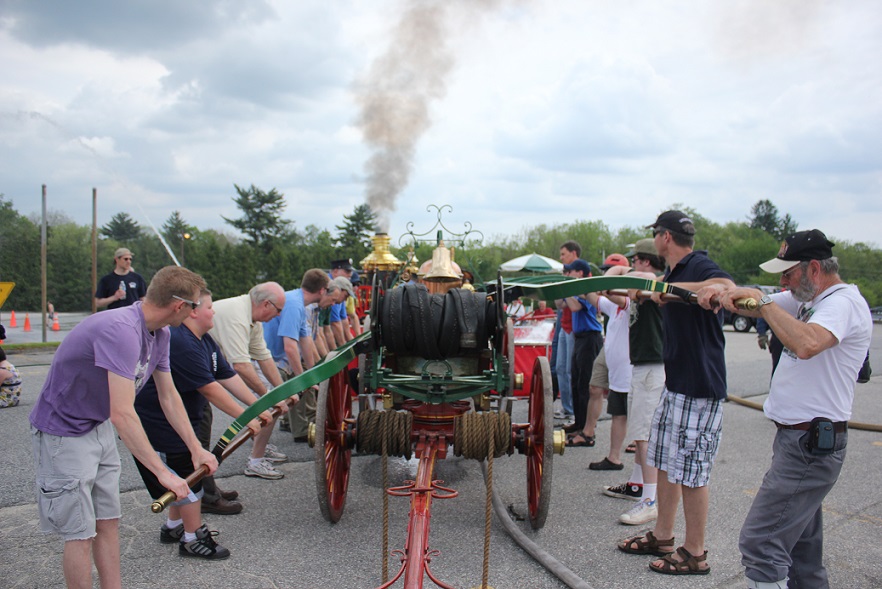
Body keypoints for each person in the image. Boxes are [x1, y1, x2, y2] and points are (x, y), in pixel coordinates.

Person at [29, 265, 218, 588]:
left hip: (97, 425)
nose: (196, 312)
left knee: (108, 522)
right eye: (195, 306)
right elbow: (123, 413)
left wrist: (195, 447)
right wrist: (162, 471)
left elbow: (169, 396)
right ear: (179, 306)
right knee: (80, 533)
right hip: (65, 432)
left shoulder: (161, 333)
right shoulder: (121, 329)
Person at [719, 229, 872, 589]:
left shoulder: (842, 303)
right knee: (802, 554)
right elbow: (749, 302)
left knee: (761, 542)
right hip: (800, 442)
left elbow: (808, 343)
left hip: (809, 446)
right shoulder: (810, 299)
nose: (783, 282)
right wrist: (724, 295)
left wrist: (763, 302)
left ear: (814, 269)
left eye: (788, 274)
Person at [618, 210, 734, 576]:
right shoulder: (675, 273)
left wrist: (668, 292)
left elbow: (728, 287)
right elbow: (655, 290)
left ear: (664, 237)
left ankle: (695, 552)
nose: (654, 241)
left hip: (700, 385)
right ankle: (663, 535)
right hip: (677, 382)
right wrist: (658, 290)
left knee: (693, 471)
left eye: (655, 235)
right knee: (667, 461)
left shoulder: (697, 266)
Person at [134, 288, 274, 558]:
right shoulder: (182, 341)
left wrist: (259, 406)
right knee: (189, 476)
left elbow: (227, 376)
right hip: (161, 420)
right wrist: (246, 418)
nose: (214, 312)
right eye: (210, 307)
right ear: (194, 311)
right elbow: (210, 389)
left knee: (183, 473)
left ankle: (174, 525)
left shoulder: (205, 340)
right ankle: (192, 538)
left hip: (184, 417)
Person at [604, 238, 667, 526]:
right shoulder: (638, 289)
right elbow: (605, 285)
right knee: (641, 432)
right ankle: (638, 485)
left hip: (653, 366)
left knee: (644, 435)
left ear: (646, 261)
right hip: (642, 365)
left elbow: (645, 278)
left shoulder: (652, 285)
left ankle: (651, 500)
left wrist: (634, 270)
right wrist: (627, 269)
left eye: (636, 260)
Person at [209, 283, 292, 480]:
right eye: (278, 310)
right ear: (266, 304)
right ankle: (255, 461)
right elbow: (241, 366)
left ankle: (260, 449)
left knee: (272, 399)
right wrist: (270, 396)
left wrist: (282, 391)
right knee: (268, 402)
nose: (279, 315)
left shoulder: (252, 317)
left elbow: (264, 357)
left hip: (216, 364)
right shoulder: (237, 315)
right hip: (201, 366)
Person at [263, 269, 329, 443]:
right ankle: (256, 457)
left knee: (273, 408)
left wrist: (312, 375)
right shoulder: (294, 305)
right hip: (269, 359)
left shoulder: (299, 302)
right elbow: (290, 347)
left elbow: (306, 341)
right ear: (322, 290)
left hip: (277, 359)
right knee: (268, 409)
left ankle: (261, 451)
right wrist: (302, 379)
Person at [561, 259, 604, 437]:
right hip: (580, 338)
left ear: (579, 273)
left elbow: (576, 307)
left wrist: (566, 289)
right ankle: (579, 423)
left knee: (586, 383)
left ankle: (587, 428)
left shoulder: (587, 289)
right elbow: (561, 305)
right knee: (576, 382)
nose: (568, 274)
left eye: (571, 272)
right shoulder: (577, 290)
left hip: (590, 338)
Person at [554, 240, 581, 421]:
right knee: (560, 368)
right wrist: (557, 290)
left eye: (564, 254)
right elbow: (560, 304)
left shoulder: (581, 273)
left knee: (571, 370)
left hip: (574, 328)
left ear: (573, 253)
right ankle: (567, 407)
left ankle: (573, 410)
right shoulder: (567, 276)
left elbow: (577, 305)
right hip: (564, 326)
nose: (561, 258)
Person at [329, 259, 356, 344]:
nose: (350, 275)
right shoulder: (333, 288)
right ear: (336, 271)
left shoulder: (341, 288)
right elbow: (335, 323)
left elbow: (343, 319)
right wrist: (343, 347)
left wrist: (352, 343)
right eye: (347, 271)